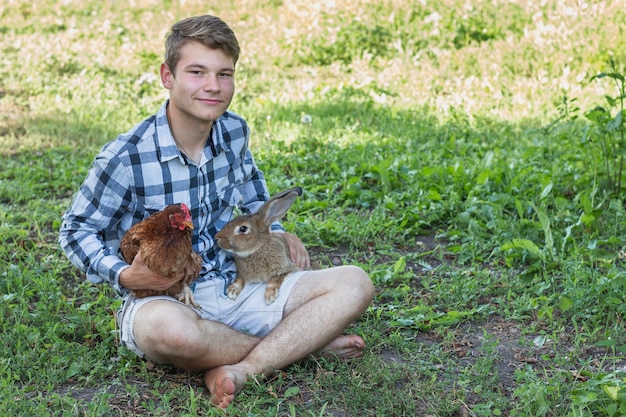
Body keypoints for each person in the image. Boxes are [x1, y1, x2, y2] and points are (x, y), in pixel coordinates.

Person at [59, 14, 374, 409]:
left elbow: (251, 184)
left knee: (355, 283)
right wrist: (124, 273)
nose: (213, 86)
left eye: (224, 74)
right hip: (168, 297)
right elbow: (76, 230)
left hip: (238, 281)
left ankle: (242, 366)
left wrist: (276, 229)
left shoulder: (234, 131)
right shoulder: (126, 156)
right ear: (167, 76)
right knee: (171, 334)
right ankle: (301, 347)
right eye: (196, 72)